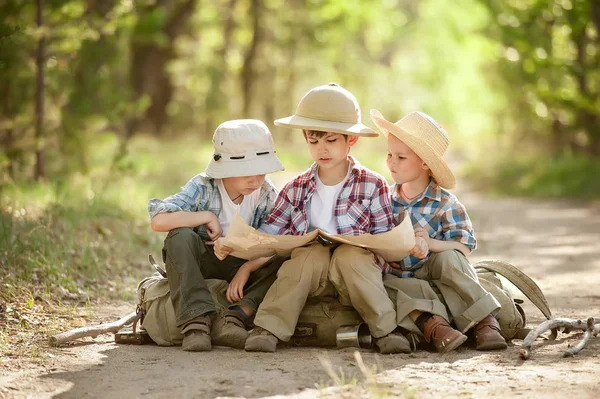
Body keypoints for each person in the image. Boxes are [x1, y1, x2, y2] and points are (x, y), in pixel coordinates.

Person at [232, 83, 412, 354]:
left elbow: (387, 239)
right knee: (306, 256)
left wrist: (377, 246)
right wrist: (246, 261)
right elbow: (269, 237)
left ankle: (386, 330)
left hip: (355, 271)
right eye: (313, 141)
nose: (321, 150)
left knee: (350, 256)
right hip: (311, 275)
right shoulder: (296, 188)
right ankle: (268, 328)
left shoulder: (373, 184)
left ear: (351, 140)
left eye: (330, 141)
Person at [370, 109, 508, 352]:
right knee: (387, 284)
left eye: (401, 157)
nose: (391, 162)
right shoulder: (383, 199)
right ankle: (437, 326)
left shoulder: (445, 203)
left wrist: (432, 243)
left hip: (436, 273)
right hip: (403, 277)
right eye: (389, 154)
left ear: (425, 163)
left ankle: (485, 321)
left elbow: (463, 248)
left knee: (450, 259)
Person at [147, 119, 286, 352]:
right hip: (205, 263)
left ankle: (237, 317)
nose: (255, 180)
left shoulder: (266, 194)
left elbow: (279, 240)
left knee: (285, 256)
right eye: (246, 172)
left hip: (243, 267)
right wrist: (205, 217)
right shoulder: (204, 187)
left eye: (261, 171)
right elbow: (159, 220)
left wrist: (248, 267)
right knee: (179, 236)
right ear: (226, 169)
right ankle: (196, 323)